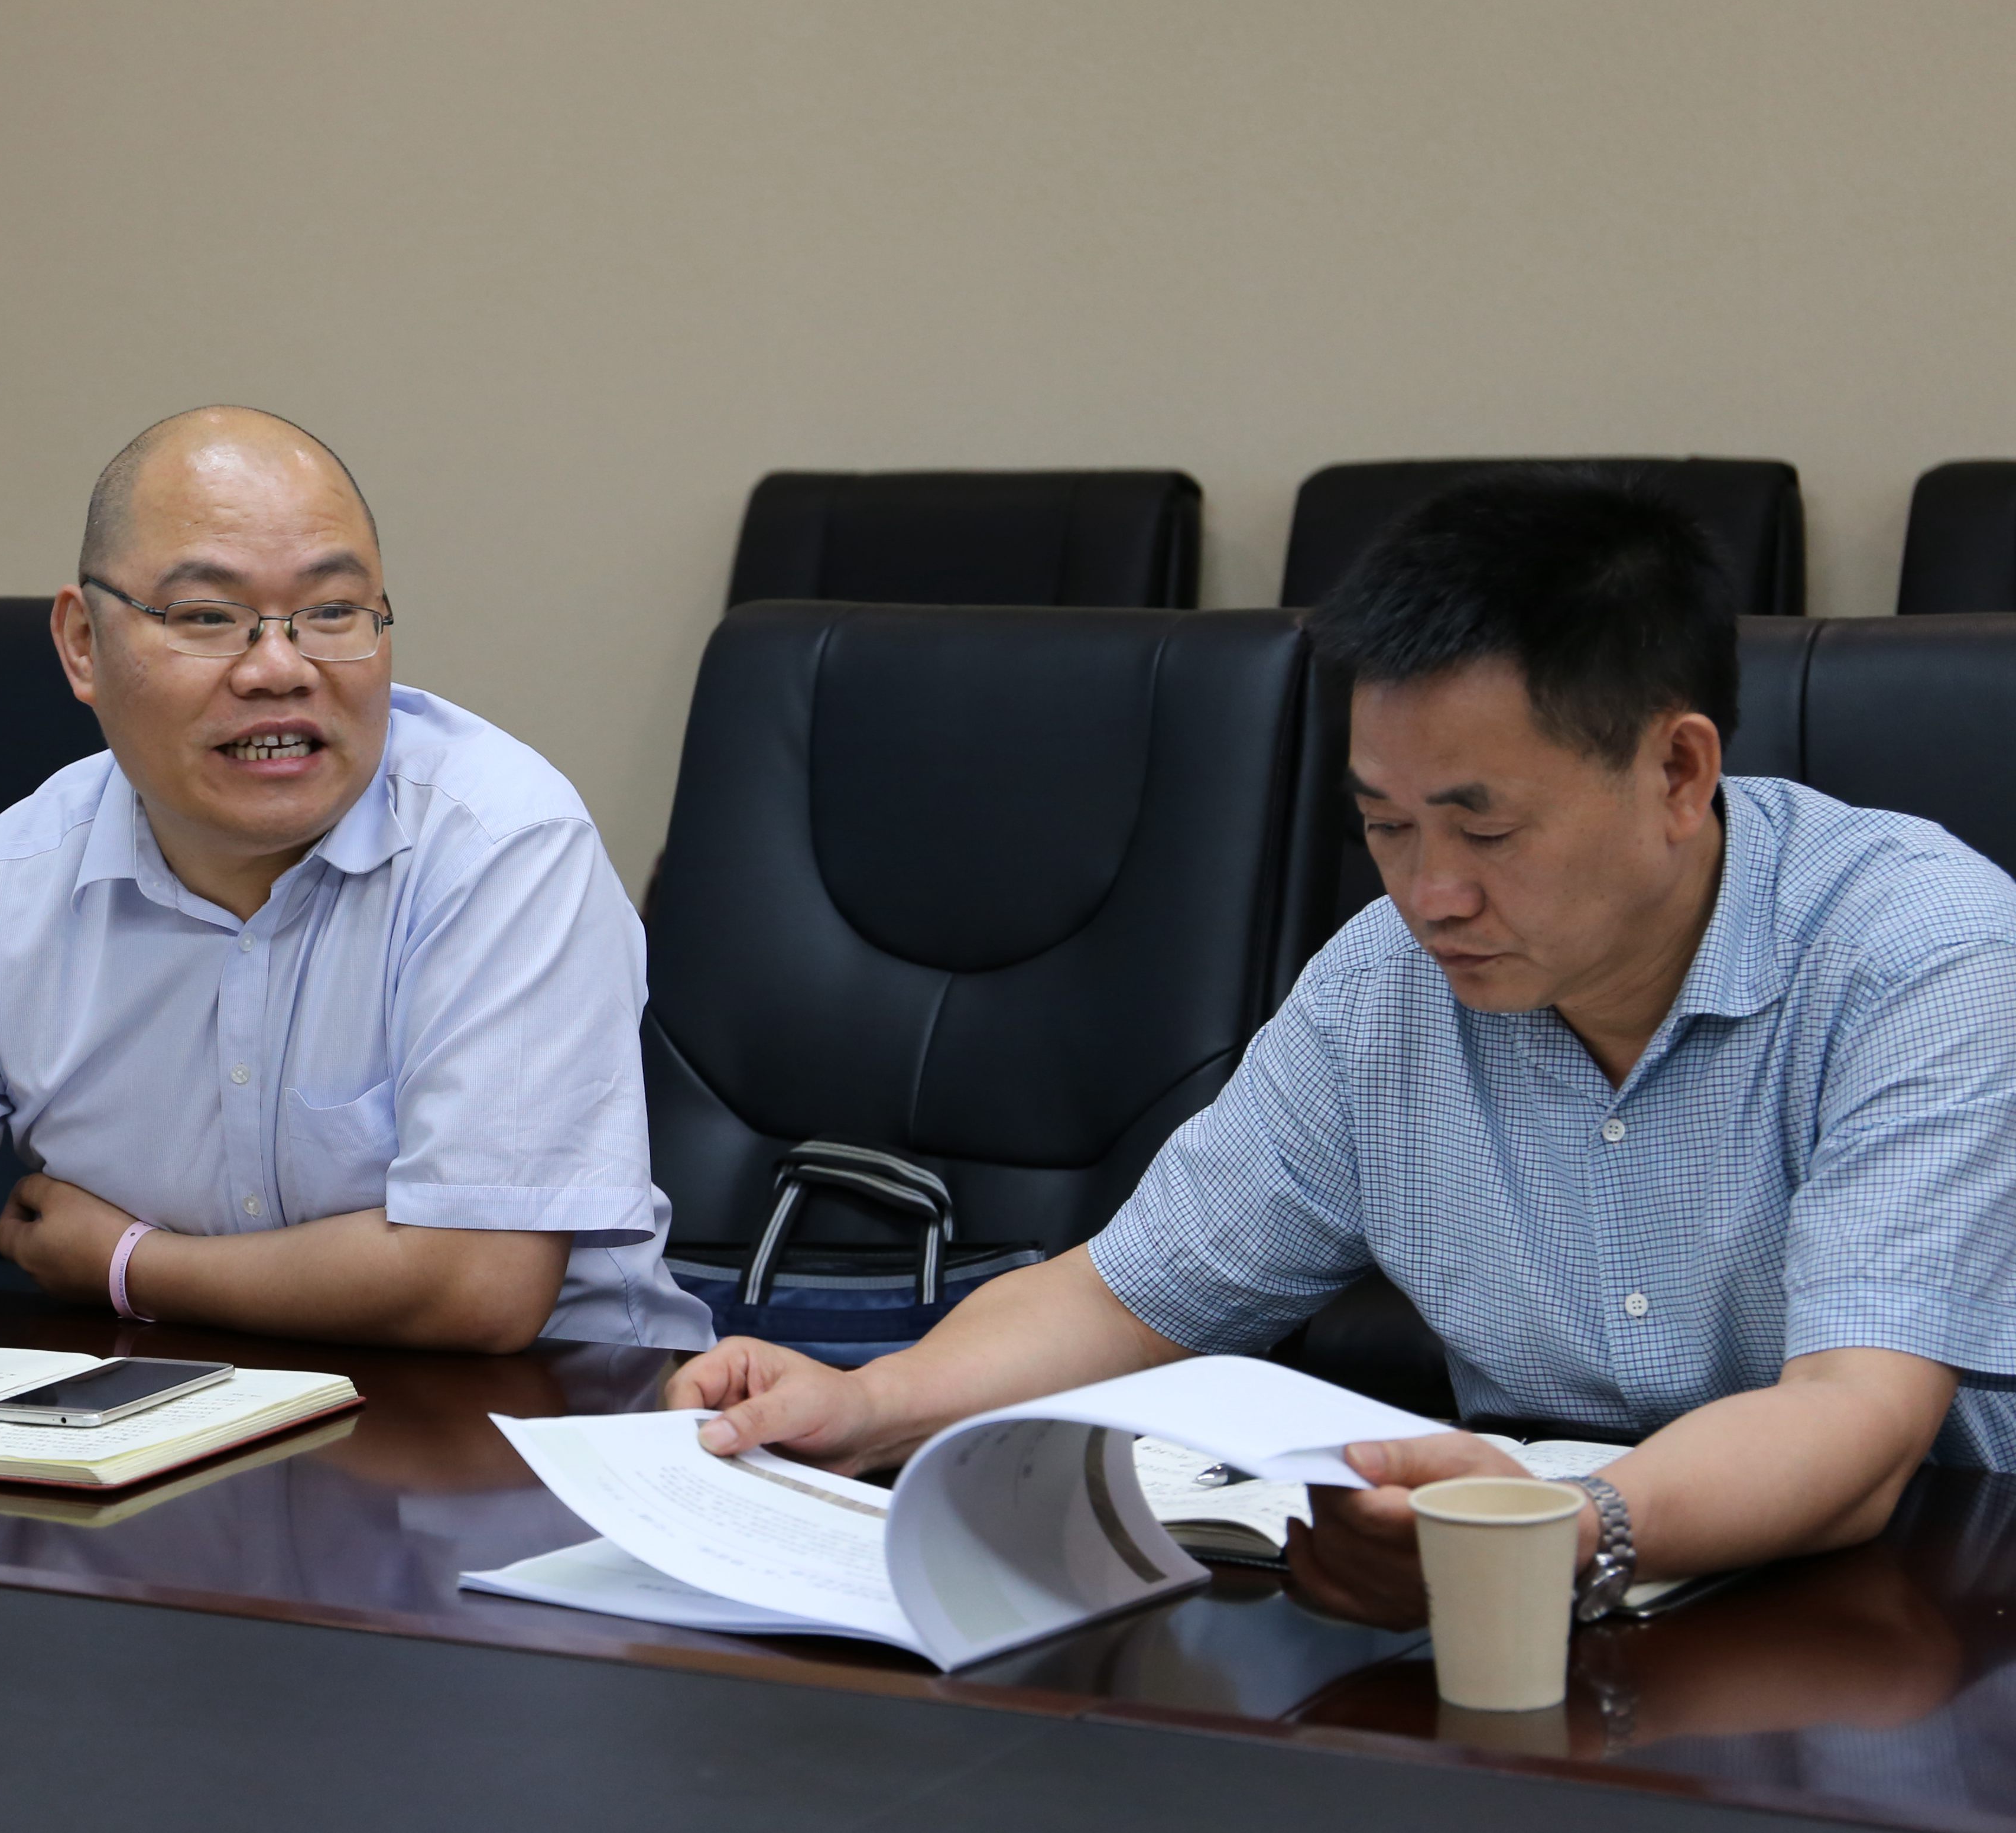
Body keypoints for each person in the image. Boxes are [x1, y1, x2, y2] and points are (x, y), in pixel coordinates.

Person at [670, 473, 2016, 1626]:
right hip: (1528, 1598)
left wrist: (1560, 1530)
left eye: (1485, 829)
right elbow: (1130, 1294)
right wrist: (870, 1402)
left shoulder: (1919, 957)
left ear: (1676, 773)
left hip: (1918, 1606)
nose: (1430, 892)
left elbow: (1855, 1414)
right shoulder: (1386, 981)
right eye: (1384, 823)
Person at [0, 405, 712, 1353]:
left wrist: (129, 1266)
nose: (280, 668)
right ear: (83, 646)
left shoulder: (501, 843)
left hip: (542, 1429)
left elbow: (478, 1288)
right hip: (171, 1429)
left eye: (333, 611)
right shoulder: (9, 885)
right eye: (210, 616)